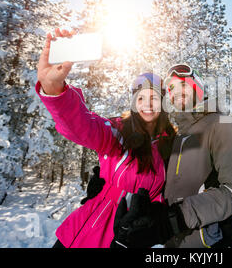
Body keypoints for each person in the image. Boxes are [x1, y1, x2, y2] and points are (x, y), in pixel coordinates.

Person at [36, 28, 175, 248]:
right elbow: (82, 125)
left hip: (130, 239)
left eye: (154, 98)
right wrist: (53, 88)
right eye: (141, 98)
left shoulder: (172, 145)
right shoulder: (118, 132)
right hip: (85, 230)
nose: (147, 104)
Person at [112, 63, 232, 248]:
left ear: (198, 86)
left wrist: (173, 220)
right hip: (176, 243)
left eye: (183, 84)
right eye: (171, 88)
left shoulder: (220, 124)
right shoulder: (180, 136)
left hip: (210, 244)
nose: (176, 91)